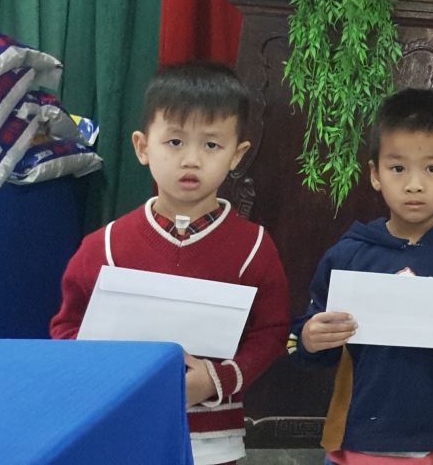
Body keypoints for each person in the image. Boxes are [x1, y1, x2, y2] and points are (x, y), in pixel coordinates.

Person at [51, 61, 290, 465]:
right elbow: (66, 328)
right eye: (175, 142)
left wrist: (215, 380)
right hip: (123, 429)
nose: (191, 160)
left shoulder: (253, 247)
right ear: (143, 147)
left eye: (211, 145)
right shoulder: (104, 246)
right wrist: (112, 375)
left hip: (212, 440)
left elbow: (270, 332)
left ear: (237, 154)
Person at [288, 88, 433, 464]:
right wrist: (310, 338)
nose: (414, 184)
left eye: (432, 168)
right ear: (375, 174)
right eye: (398, 168)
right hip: (357, 440)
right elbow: (305, 345)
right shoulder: (349, 255)